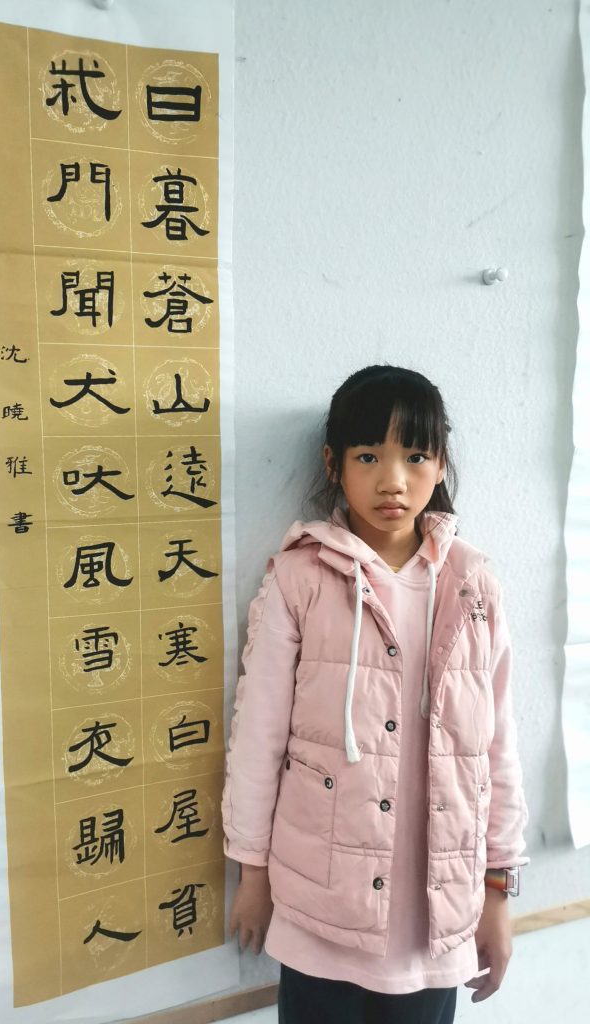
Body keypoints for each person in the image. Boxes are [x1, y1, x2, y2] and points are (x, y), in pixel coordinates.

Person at [221, 365, 529, 1024]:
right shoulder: (299, 579)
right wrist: (252, 872)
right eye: (368, 456)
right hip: (320, 910)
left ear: (440, 462)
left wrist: (498, 892)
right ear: (333, 463)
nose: (393, 480)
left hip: (436, 921)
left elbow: (497, 746)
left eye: (415, 456)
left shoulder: (474, 585)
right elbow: (258, 736)